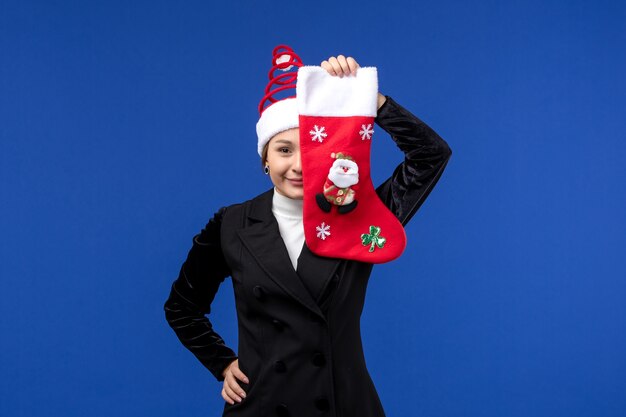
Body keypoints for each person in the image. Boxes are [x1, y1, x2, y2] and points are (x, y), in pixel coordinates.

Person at [164, 51, 452, 417]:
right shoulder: (232, 223)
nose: (299, 165)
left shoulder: (363, 216)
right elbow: (182, 308)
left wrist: (370, 100)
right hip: (263, 406)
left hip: (343, 404)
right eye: (284, 150)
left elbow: (432, 155)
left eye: (313, 149)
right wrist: (221, 362)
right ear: (265, 158)